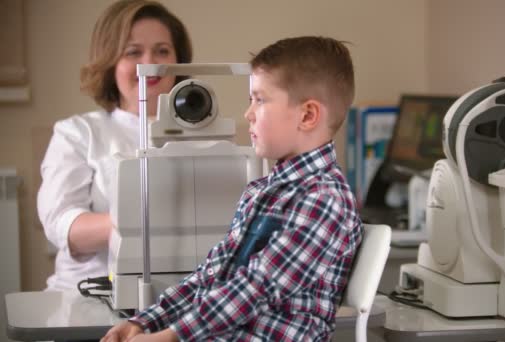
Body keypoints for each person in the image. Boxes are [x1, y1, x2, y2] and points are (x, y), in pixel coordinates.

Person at [101, 36, 362, 341]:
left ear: (307, 115)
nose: (247, 113)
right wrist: (146, 321)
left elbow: (255, 287)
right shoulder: (261, 191)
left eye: (260, 100)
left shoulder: (324, 200)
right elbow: (212, 274)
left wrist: (171, 336)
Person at [37, 0, 192, 291]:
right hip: (87, 296)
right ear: (110, 62)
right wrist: (153, 225)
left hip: (177, 302)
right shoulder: (78, 133)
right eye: (134, 52)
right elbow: (62, 227)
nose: (151, 63)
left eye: (162, 51)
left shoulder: (204, 138)